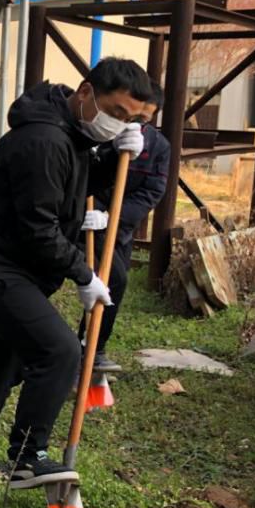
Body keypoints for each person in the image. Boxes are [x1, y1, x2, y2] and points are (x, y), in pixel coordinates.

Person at [0, 58, 159, 488]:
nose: (121, 124)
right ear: (85, 93)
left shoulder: (69, 134)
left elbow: (73, 182)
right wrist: (84, 275)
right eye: (117, 113)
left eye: (135, 121)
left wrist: (118, 157)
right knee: (61, 350)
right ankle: (28, 456)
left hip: (4, 263)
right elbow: (38, 229)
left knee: (2, 364)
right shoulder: (45, 140)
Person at [78, 119, 170, 372]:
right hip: (83, 219)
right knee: (111, 278)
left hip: (117, 226)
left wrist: (110, 217)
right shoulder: (98, 130)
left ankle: (92, 349)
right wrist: (87, 212)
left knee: (114, 283)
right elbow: (84, 175)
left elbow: (151, 192)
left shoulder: (158, 146)